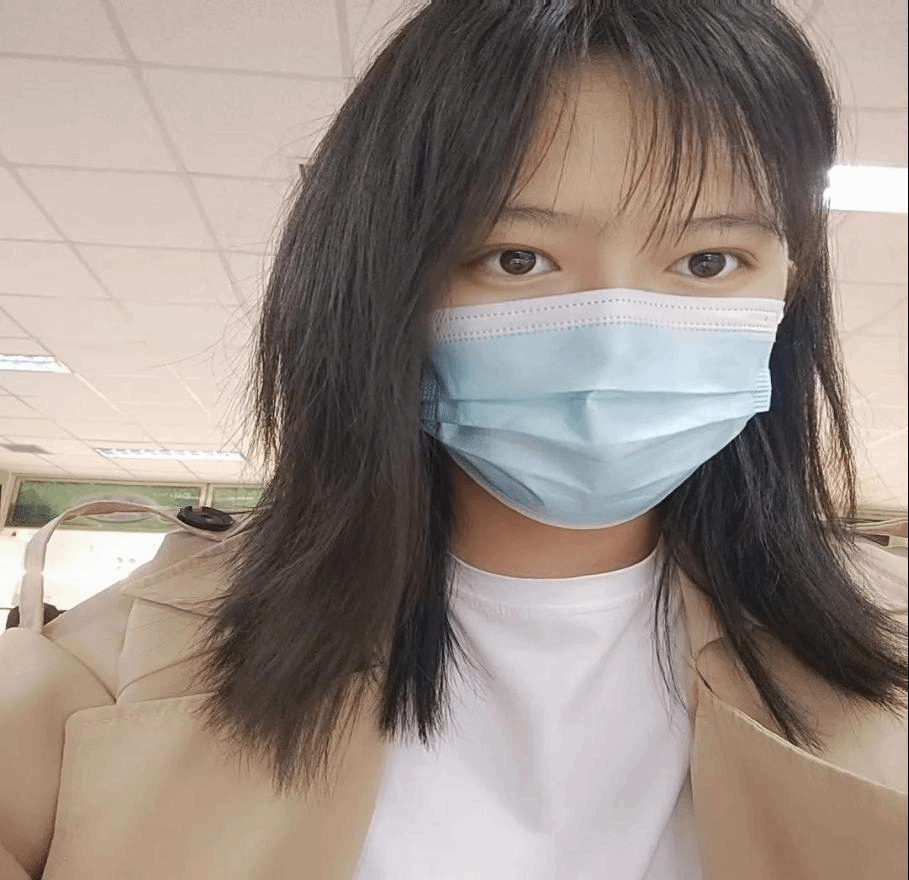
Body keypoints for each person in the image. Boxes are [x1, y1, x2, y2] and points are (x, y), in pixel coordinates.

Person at [0, 2, 906, 878]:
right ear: (386, 283)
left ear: (789, 287)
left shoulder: (887, 649)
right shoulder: (106, 677)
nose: (614, 343)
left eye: (707, 261)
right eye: (517, 258)